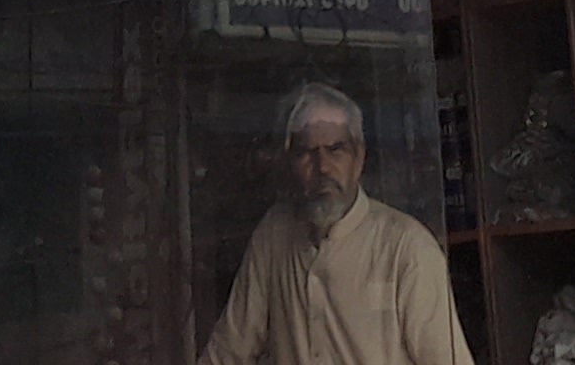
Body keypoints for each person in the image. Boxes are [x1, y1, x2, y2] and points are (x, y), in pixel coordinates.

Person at [197, 82, 477, 365]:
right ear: (290, 162)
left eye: (335, 150)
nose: (322, 167)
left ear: (359, 157)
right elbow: (228, 350)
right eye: (306, 153)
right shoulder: (275, 234)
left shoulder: (406, 248)